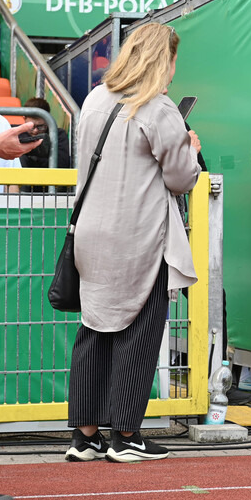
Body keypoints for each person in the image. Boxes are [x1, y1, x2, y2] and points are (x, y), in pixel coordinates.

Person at [64, 24, 200, 463]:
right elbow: (181, 178)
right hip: (138, 234)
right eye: (174, 60)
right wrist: (190, 147)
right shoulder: (159, 108)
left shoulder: (94, 99)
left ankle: (84, 438)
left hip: (90, 231)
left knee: (94, 329)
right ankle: (125, 434)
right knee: (139, 332)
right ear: (164, 60)